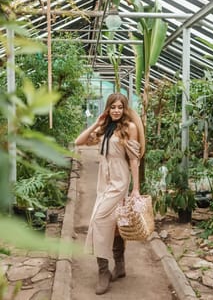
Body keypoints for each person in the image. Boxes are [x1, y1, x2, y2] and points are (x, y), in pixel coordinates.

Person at [74, 92, 145, 295]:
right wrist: (97, 122)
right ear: (108, 108)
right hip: (103, 184)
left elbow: (133, 159)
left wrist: (136, 188)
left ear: (125, 110)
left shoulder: (129, 128)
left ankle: (103, 272)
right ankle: (120, 266)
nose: (116, 110)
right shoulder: (105, 128)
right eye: (113, 107)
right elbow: (79, 141)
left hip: (119, 183)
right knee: (114, 226)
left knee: (98, 222)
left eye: (120, 107)